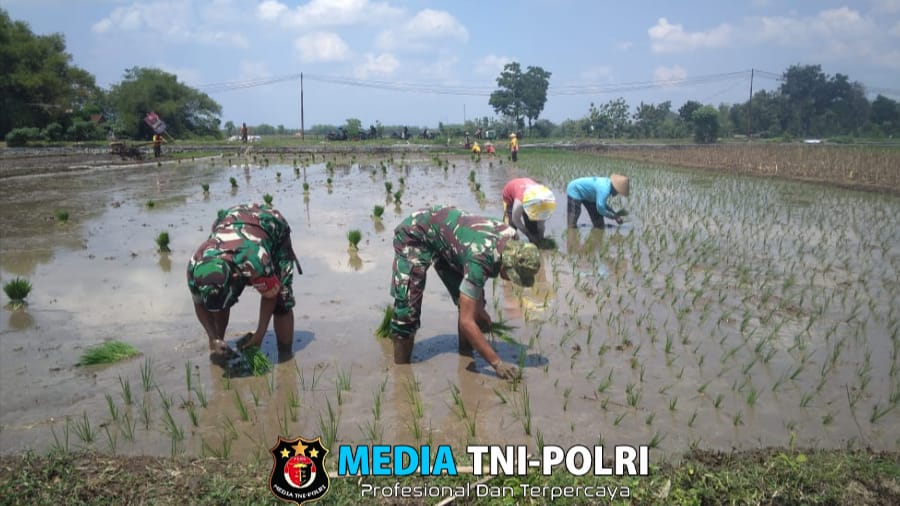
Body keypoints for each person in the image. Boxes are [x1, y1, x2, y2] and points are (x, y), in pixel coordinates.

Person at [389, 205, 542, 380]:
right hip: (416, 232)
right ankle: (401, 374)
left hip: (450, 243)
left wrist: (479, 310)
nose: (509, 280)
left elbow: (471, 308)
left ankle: (466, 354)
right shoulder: (480, 259)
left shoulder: (512, 238)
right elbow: (466, 322)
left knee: (474, 305)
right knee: (407, 311)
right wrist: (497, 364)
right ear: (507, 264)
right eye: (513, 276)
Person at [187, 203, 302, 364]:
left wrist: (260, 333)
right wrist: (213, 337)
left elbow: (271, 294)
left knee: (282, 301)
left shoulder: (255, 259)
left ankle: (286, 356)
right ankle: (219, 345)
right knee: (219, 303)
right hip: (229, 221)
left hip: (270, 226)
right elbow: (199, 305)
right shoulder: (195, 265)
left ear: (235, 277)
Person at [501, 178, 556, 244]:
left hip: (528, 194)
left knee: (533, 228)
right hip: (510, 196)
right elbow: (515, 220)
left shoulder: (543, 202)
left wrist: (540, 238)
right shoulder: (519, 202)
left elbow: (541, 225)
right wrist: (529, 235)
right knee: (510, 230)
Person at [566, 174, 630, 228]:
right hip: (575, 190)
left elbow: (602, 204)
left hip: (589, 195)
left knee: (599, 224)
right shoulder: (605, 189)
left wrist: (615, 214)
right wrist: (614, 217)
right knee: (573, 220)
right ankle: (571, 236)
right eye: (618, 191)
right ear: (615, 188)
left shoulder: (608, 185)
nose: (617, 194)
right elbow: (600, 208)